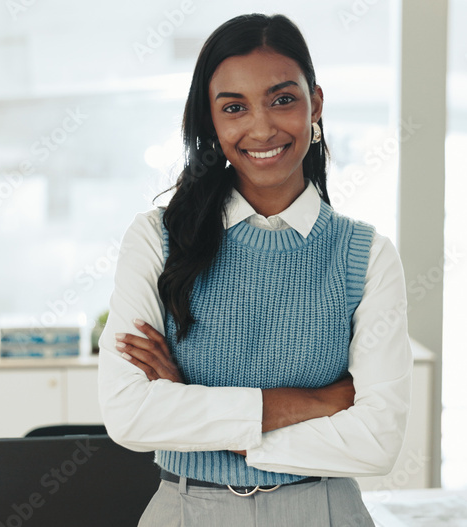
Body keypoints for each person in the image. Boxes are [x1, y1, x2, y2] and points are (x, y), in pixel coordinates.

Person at [97, 13, 412, 526]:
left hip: (322, 513)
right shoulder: (157, 239)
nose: (262, 127)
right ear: (211, 120)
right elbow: (129, 416)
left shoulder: (366, 254)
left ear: (316, 104)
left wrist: (198, 412)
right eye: (234, 108)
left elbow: (376, 444)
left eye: (283, 99)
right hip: (185, 511)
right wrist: (309, 403)